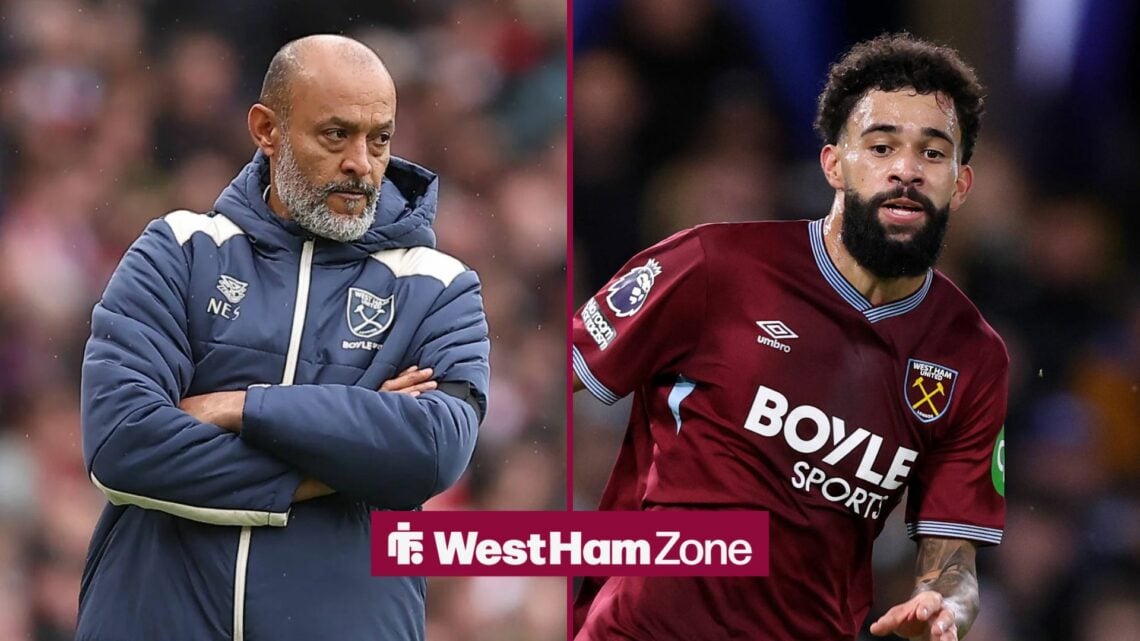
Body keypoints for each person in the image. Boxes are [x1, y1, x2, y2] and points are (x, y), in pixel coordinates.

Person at [572, 33, 1007, 641]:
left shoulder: (973, 357)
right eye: (881, 146)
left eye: (933, 154)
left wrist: (945, 608)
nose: (906, 170)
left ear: (959, 184)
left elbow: (954, 563)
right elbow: (562, 372)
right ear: (834, 164)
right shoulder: (714, 265)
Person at [77, 35, 490, 641]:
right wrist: (343, 462)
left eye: (380, 138)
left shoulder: (438, 285)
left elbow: (432, 450)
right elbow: (122, 444)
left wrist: (241, 407)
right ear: (266, 129)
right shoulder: (179, 250)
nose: (362, 163)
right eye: (336, 134)